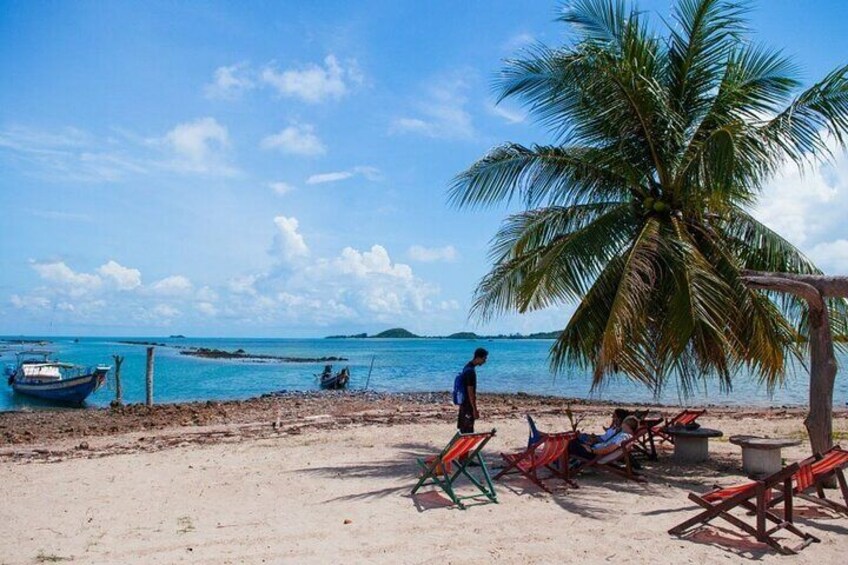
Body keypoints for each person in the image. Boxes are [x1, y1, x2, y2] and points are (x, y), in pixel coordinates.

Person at [569, 415, 639, 460]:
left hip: (595, 455)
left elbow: (610, 448)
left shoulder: (623, 436)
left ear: (626, 424)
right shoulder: (627, 435)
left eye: (623, 422)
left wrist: (591, 450)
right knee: (574, 440)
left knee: (570, 443)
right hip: (596, 449)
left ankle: (562, 467)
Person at [457, 348, 488, 433]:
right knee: (468, 431)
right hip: (467, 405)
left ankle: (463, 446)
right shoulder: (470, 372)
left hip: (463, 403)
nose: (485, 361)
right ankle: (465, 446)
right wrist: (474, 409)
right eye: (484, 359)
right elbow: (470, 392)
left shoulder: (466, 367)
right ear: (478, 358)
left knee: (463, 429)